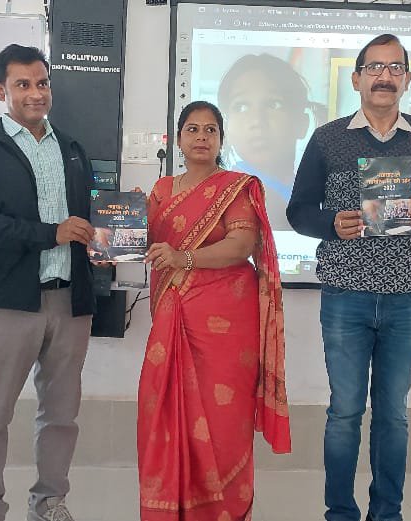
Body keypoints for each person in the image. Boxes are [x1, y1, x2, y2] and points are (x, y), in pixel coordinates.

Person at [286, 34, 411, 521]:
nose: (384, 77)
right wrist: (331, 223)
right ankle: (340, 513)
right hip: (345, 293)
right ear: (356, 78)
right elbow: (298, 210)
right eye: (374, 67)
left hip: (407, 294)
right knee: (344, 412)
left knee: (394, 414)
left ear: (407, 79)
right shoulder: (327, 138)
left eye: (394, 68)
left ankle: (387, 513)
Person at [0, 44, 96, 521]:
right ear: (1, 90)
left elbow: (85, 220)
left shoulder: (71, 149)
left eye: (42, 83)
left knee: (61, 415)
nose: (36, 93)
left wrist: (118, 227)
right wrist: (49, 234)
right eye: (23, 84)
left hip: (68, 301)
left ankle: (49, 502)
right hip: (7, 302)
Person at [136, 100, 290, 521]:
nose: (201, 137)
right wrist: (119, 226)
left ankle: (223, 510)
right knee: (164, 410)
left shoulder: (237, 187)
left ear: (221, 140)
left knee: (224, 422)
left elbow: (241, 245)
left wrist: (184, 258)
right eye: (192, 129)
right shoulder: (162, 191)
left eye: (210, 130)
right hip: (174, 315)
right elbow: (143, 243)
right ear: (178, 139)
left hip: (226, 322)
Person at [218, 53, 312, 230]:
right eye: (241, 106)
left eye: (274, 104)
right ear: (226, 128)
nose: (257, 120)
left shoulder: (310, 190)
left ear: (301, 123)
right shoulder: (223, 195)